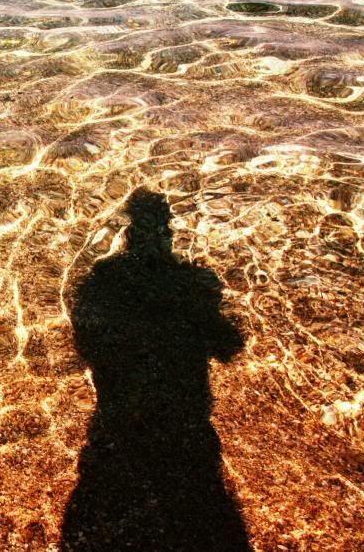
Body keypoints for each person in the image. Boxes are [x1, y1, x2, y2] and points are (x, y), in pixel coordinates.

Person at [60, 189, 250, 551]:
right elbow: (229, 346)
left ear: (127, 232)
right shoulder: (191, 282)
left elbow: (85, 345)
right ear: (169, 232)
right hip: (184, 421)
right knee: (194, 512)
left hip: (119, 419)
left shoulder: (103, 279)